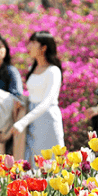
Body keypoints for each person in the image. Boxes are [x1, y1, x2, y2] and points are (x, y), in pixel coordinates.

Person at [10, 31, 64, 167]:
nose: (30, 46)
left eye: (34, 43)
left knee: (49, 165)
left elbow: (48, 101)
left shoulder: (53, 71)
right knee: (32, 163)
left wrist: (23, 122)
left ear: (44, 47)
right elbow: (33, 96)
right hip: (32, 120)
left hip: (47, 121)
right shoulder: (33, 69)